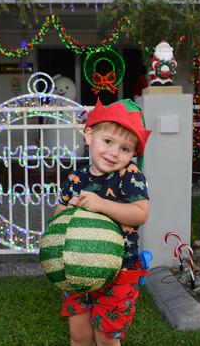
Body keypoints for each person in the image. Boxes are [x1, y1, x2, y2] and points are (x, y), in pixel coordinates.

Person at [54, 98, 151, 346]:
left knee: (106, 338)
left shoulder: (129, 176)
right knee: (80, 335)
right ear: (89, 135)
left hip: (119, 272)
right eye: (107, 141)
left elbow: (141, 213)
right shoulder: (76, 178)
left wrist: (101, 205)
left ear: (133, 154)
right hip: (76, 266)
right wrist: (68, 210)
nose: (114, 152)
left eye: (125, 149)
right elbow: (57, 214)